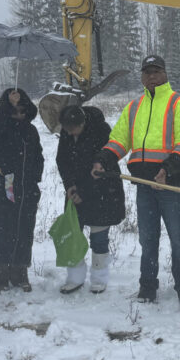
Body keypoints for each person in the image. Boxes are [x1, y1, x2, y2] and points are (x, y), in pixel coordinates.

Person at [92, 54, 180, 309]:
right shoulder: (134, 107)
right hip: (144, 185)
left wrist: (167, 170)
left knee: (178, 240)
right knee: (148, 240)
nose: (151, 75)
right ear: (141, 76)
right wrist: (103, 159)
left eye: (156, 71)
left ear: (165, 74)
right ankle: (148, 286)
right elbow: (119, 140)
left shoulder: (179, 104)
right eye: (147, 71)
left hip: (171, 185)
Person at [0, 88, 44, 292]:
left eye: (22, 110)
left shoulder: (31, 131)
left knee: (24, 226)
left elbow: (38, 156)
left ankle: (19, 269)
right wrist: (8, 107)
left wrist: (35, 177)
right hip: (5, 181)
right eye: (15, 111)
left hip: (27, 185)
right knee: (2, 225)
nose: (19, 114)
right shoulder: (0, 127)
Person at [56, 104, 125, 293]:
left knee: (99, 238)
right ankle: (75, 277)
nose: (69, 134)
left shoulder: (102, 131)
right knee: (73, 236)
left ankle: (99, 278)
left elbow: (100, 169)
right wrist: (69, 185)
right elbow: (62, 160)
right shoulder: (66, 132)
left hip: (102, 193)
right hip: (75, 191)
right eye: (66, 130)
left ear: (83, 123)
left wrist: (83, 192)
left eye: (73, 129)